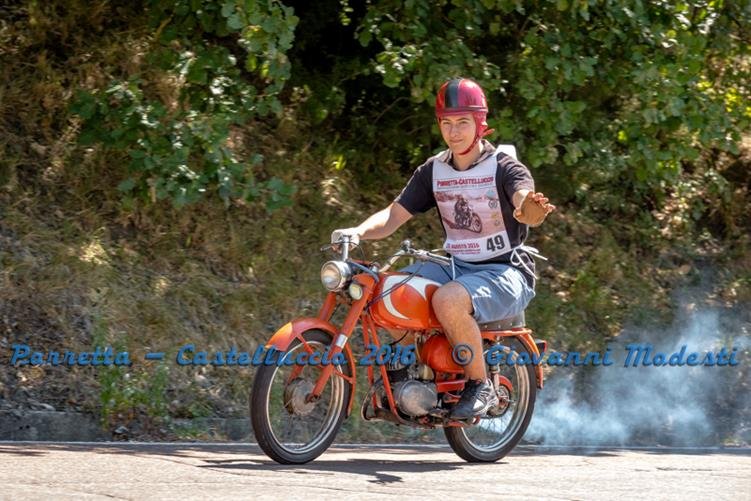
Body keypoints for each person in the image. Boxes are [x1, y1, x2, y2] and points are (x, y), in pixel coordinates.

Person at [331, 77, 555, 420]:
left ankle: (480, 384)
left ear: (480, 123)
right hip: (456, 266)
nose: (454, 132)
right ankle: (403, 373)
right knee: (387, 289)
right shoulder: (433, 170)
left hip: (506, 270)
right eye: (446, 123)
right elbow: (394, 215)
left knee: (448, 299)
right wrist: (357, 231)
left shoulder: (504, 167)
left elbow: (524, 202)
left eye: (463, 122)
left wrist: (530, 211)